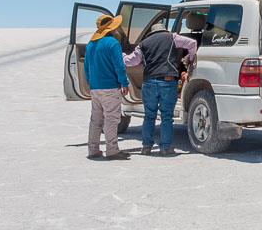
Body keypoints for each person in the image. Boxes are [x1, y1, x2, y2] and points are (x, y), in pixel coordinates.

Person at [124, 22, 198, 155]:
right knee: (166, 116)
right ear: (164, 31)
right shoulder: (172, 37)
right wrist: (191, 60)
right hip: (168, 82)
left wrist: (122, 55)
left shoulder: (143, 44)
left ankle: (146, 146)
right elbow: (192, 43)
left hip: (149, 83)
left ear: (151, 33)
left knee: (149, 116)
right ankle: (165, 147)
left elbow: (132, 61)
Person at [84, 13, 132, 160]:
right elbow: (119, 66)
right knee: (111, 119)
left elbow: (86, 67)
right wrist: (124, 83)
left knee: (96, 119)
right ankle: (112, 150)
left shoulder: (90, 44)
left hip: (95, 87)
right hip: (110, 87)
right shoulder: (112, 43)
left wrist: (91, 83)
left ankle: (93, 150)